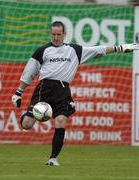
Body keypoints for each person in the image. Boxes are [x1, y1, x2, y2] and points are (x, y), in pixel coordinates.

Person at [12, 21, 139, 166]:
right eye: (53, 34)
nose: (56, 37)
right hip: (44, 89)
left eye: (59, 34)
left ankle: (53, 158)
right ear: (50, 34)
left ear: (64, 34)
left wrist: (121, 48)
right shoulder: (42, 51)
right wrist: (19, 92)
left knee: (61, 121)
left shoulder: (74, 50)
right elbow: (29, 72)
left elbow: (98, 50)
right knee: (27, 124)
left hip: (63, 90)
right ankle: (25, 116)